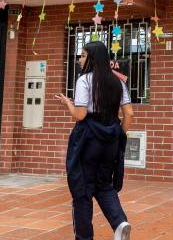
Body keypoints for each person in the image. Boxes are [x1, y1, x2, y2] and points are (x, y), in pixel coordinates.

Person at [57, 41, 133, 240]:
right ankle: (120, 222)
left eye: (82, 56)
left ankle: (84, 238)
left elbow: (81, 115)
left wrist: (68, 104)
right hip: (110, 140)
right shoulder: (118, 82)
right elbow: (129, 113)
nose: (80, 60)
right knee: (104, 185)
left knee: (82, 189)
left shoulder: (84, 81)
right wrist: (118, 134)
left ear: (92, 58)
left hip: (88, 140)